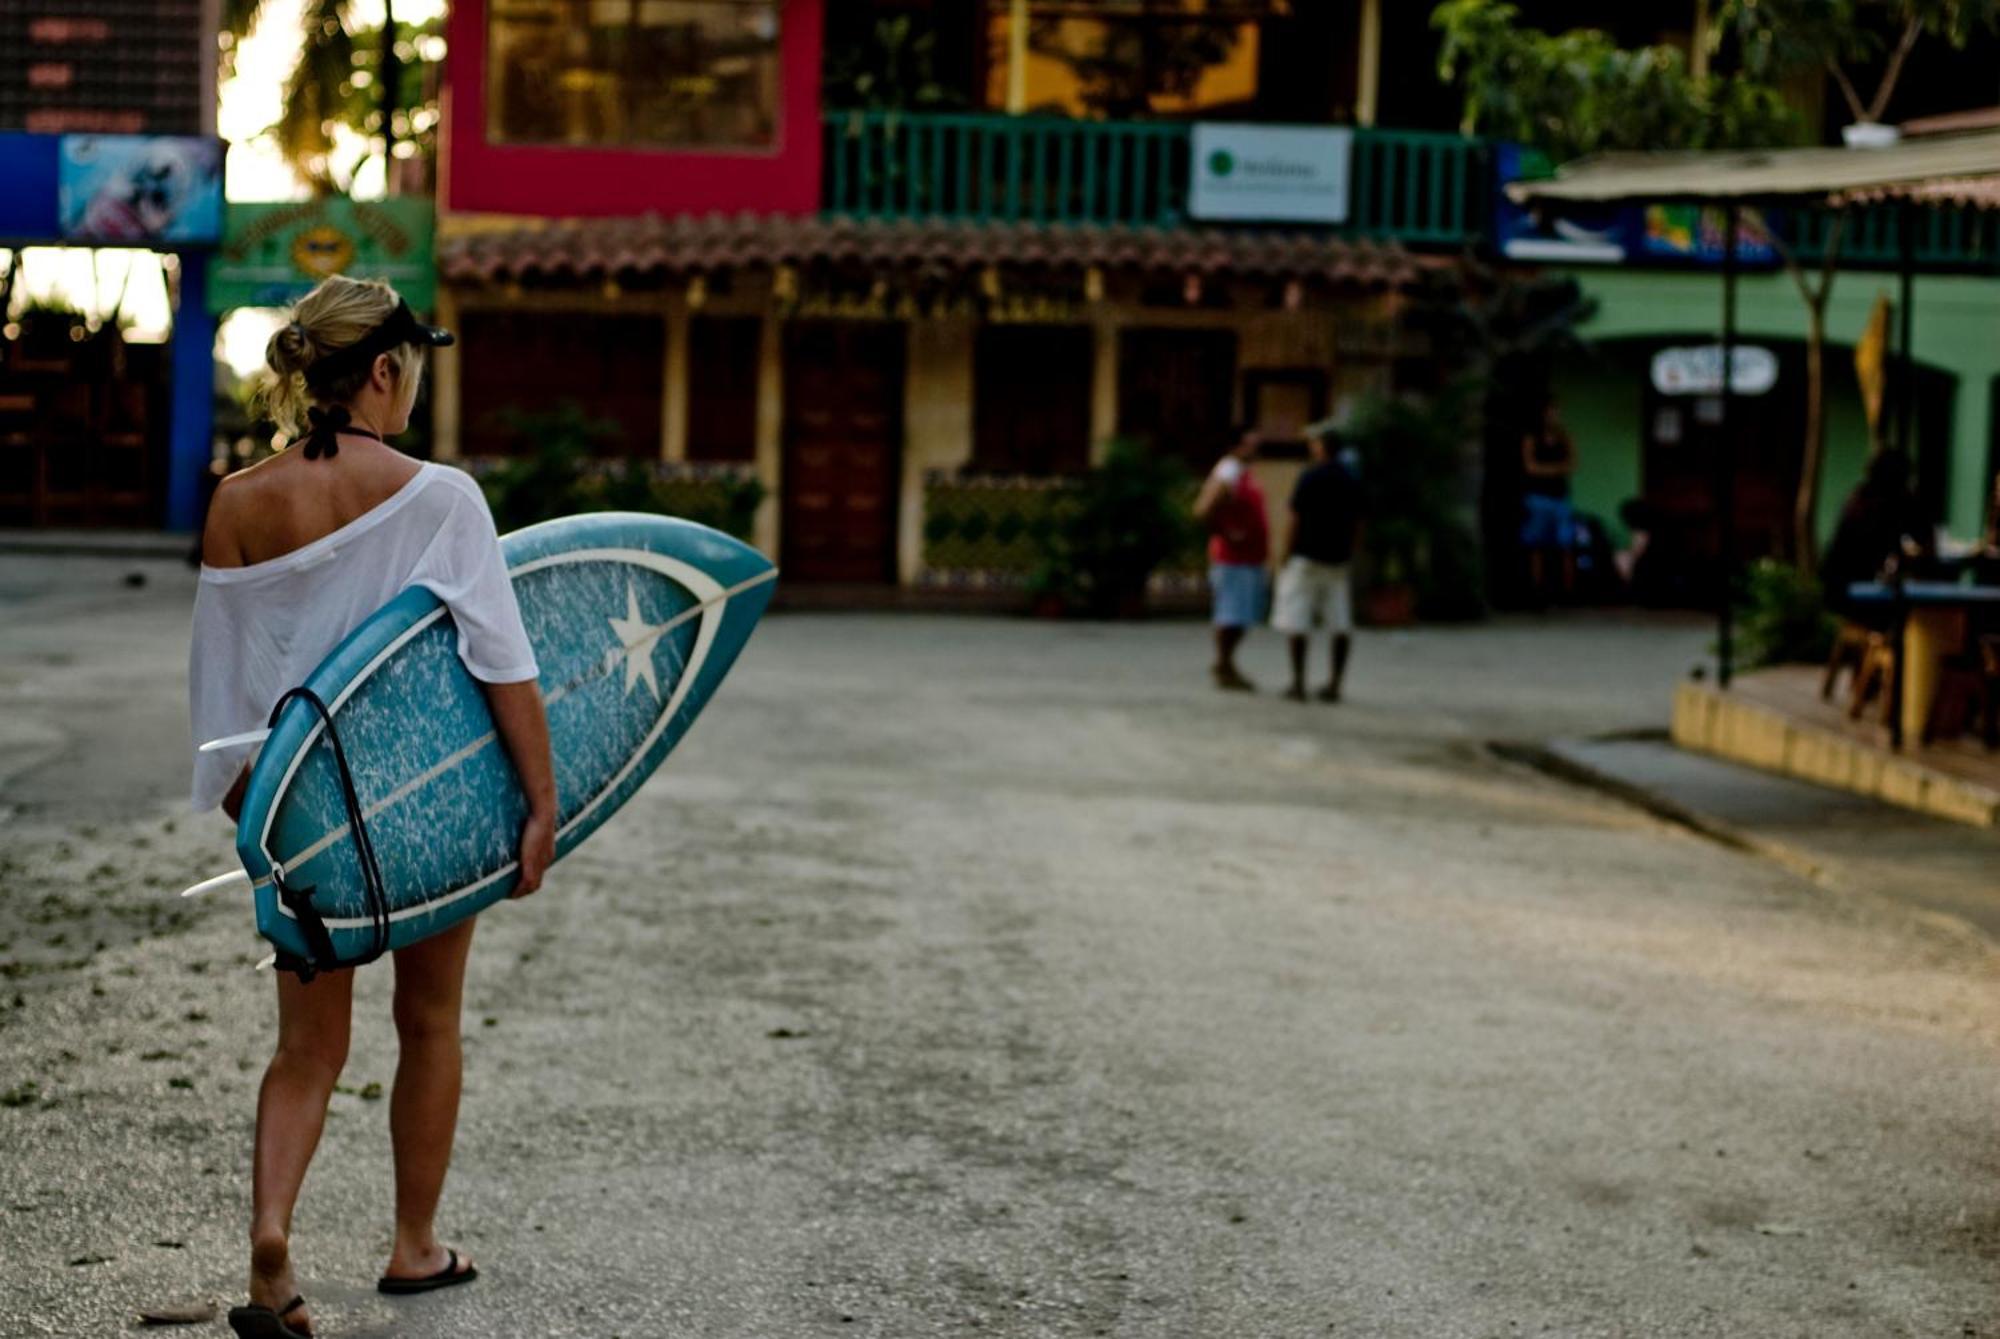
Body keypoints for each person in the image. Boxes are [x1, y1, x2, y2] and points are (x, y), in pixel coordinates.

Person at [189, 276, 557, 1339]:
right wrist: (539, 802)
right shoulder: (442, 498)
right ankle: (414, 1246)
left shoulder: (236, 503)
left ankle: (272, 1247)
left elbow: (222, 699)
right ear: (384, 370)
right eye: (411, 373)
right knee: (429, 1021)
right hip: (426, 808)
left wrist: (267, 826)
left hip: (304, 813)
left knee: (306, 1050)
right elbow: (503, 661)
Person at [1271, 423, 1364, 702]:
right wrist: (1352, 550)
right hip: (1337, 558)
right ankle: (1335, 683)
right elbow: (1360, 521)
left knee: (1297, 620)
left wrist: (1285, 551)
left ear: (1320, 448)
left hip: (1306, 556)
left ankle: (1298, 682)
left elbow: (1294, 517)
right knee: (1340, 622)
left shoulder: (1309, 477)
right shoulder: (1351, 478)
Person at [1193, 426, 1269, 690]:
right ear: (1236, 447)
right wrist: (1226, 533)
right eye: (1250, 444)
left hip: (1249, 557)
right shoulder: (1228, 471)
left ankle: (1226, 664)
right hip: (1233, 558)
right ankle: (1223, 664)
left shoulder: (1243, 473)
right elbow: (1203, 509)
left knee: (1242, 615)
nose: (1255, 450)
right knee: (1231, 615)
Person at [1820, 450, 1925, 627]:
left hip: (1837, 587)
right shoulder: (1891, 503)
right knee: (1911, 609)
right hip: (1853, 591)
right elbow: (1921, 539)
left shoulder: (1859, 497)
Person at [1520, 400, 1578, 602]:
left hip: (1560, 496)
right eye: (1549, 413)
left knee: (1566, 543)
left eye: (1556, 413)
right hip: (1538, 498)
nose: (1553, 417)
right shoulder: (1532, 438)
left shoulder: (1564, 437)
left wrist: (1549, 469)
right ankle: (1537, 591)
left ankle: (1567, 592)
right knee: (1536, 544)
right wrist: (1555, 469)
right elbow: (1530, 467)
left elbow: (1572, 463)